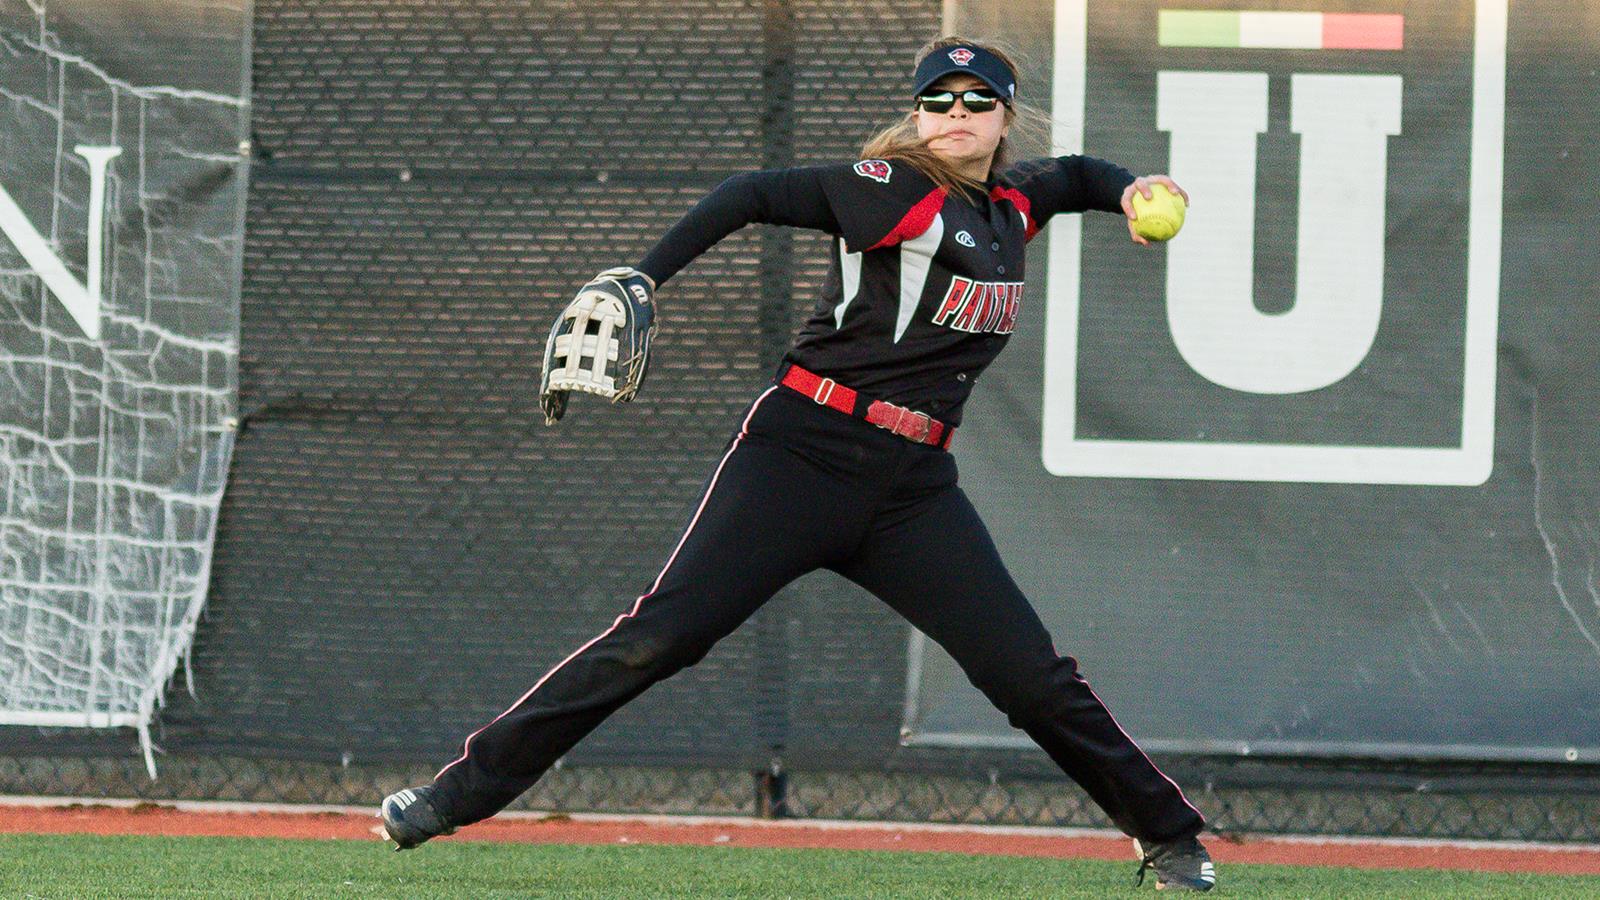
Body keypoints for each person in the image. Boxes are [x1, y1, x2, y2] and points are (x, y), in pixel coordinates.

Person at [380, 36, 1215, 892]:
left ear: (1006, 117)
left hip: (912, 491)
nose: (954, 115)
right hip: (803, 453)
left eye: (976, 100)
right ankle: (451, 798)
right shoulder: (888, 188)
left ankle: (1171, 837)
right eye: (938, 99)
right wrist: (643, 275)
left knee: (1029, 677)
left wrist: (1131, 190)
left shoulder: (1013, 201)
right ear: (916, 113)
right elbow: (748, 195)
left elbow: (1074, 175)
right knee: (660, 638)